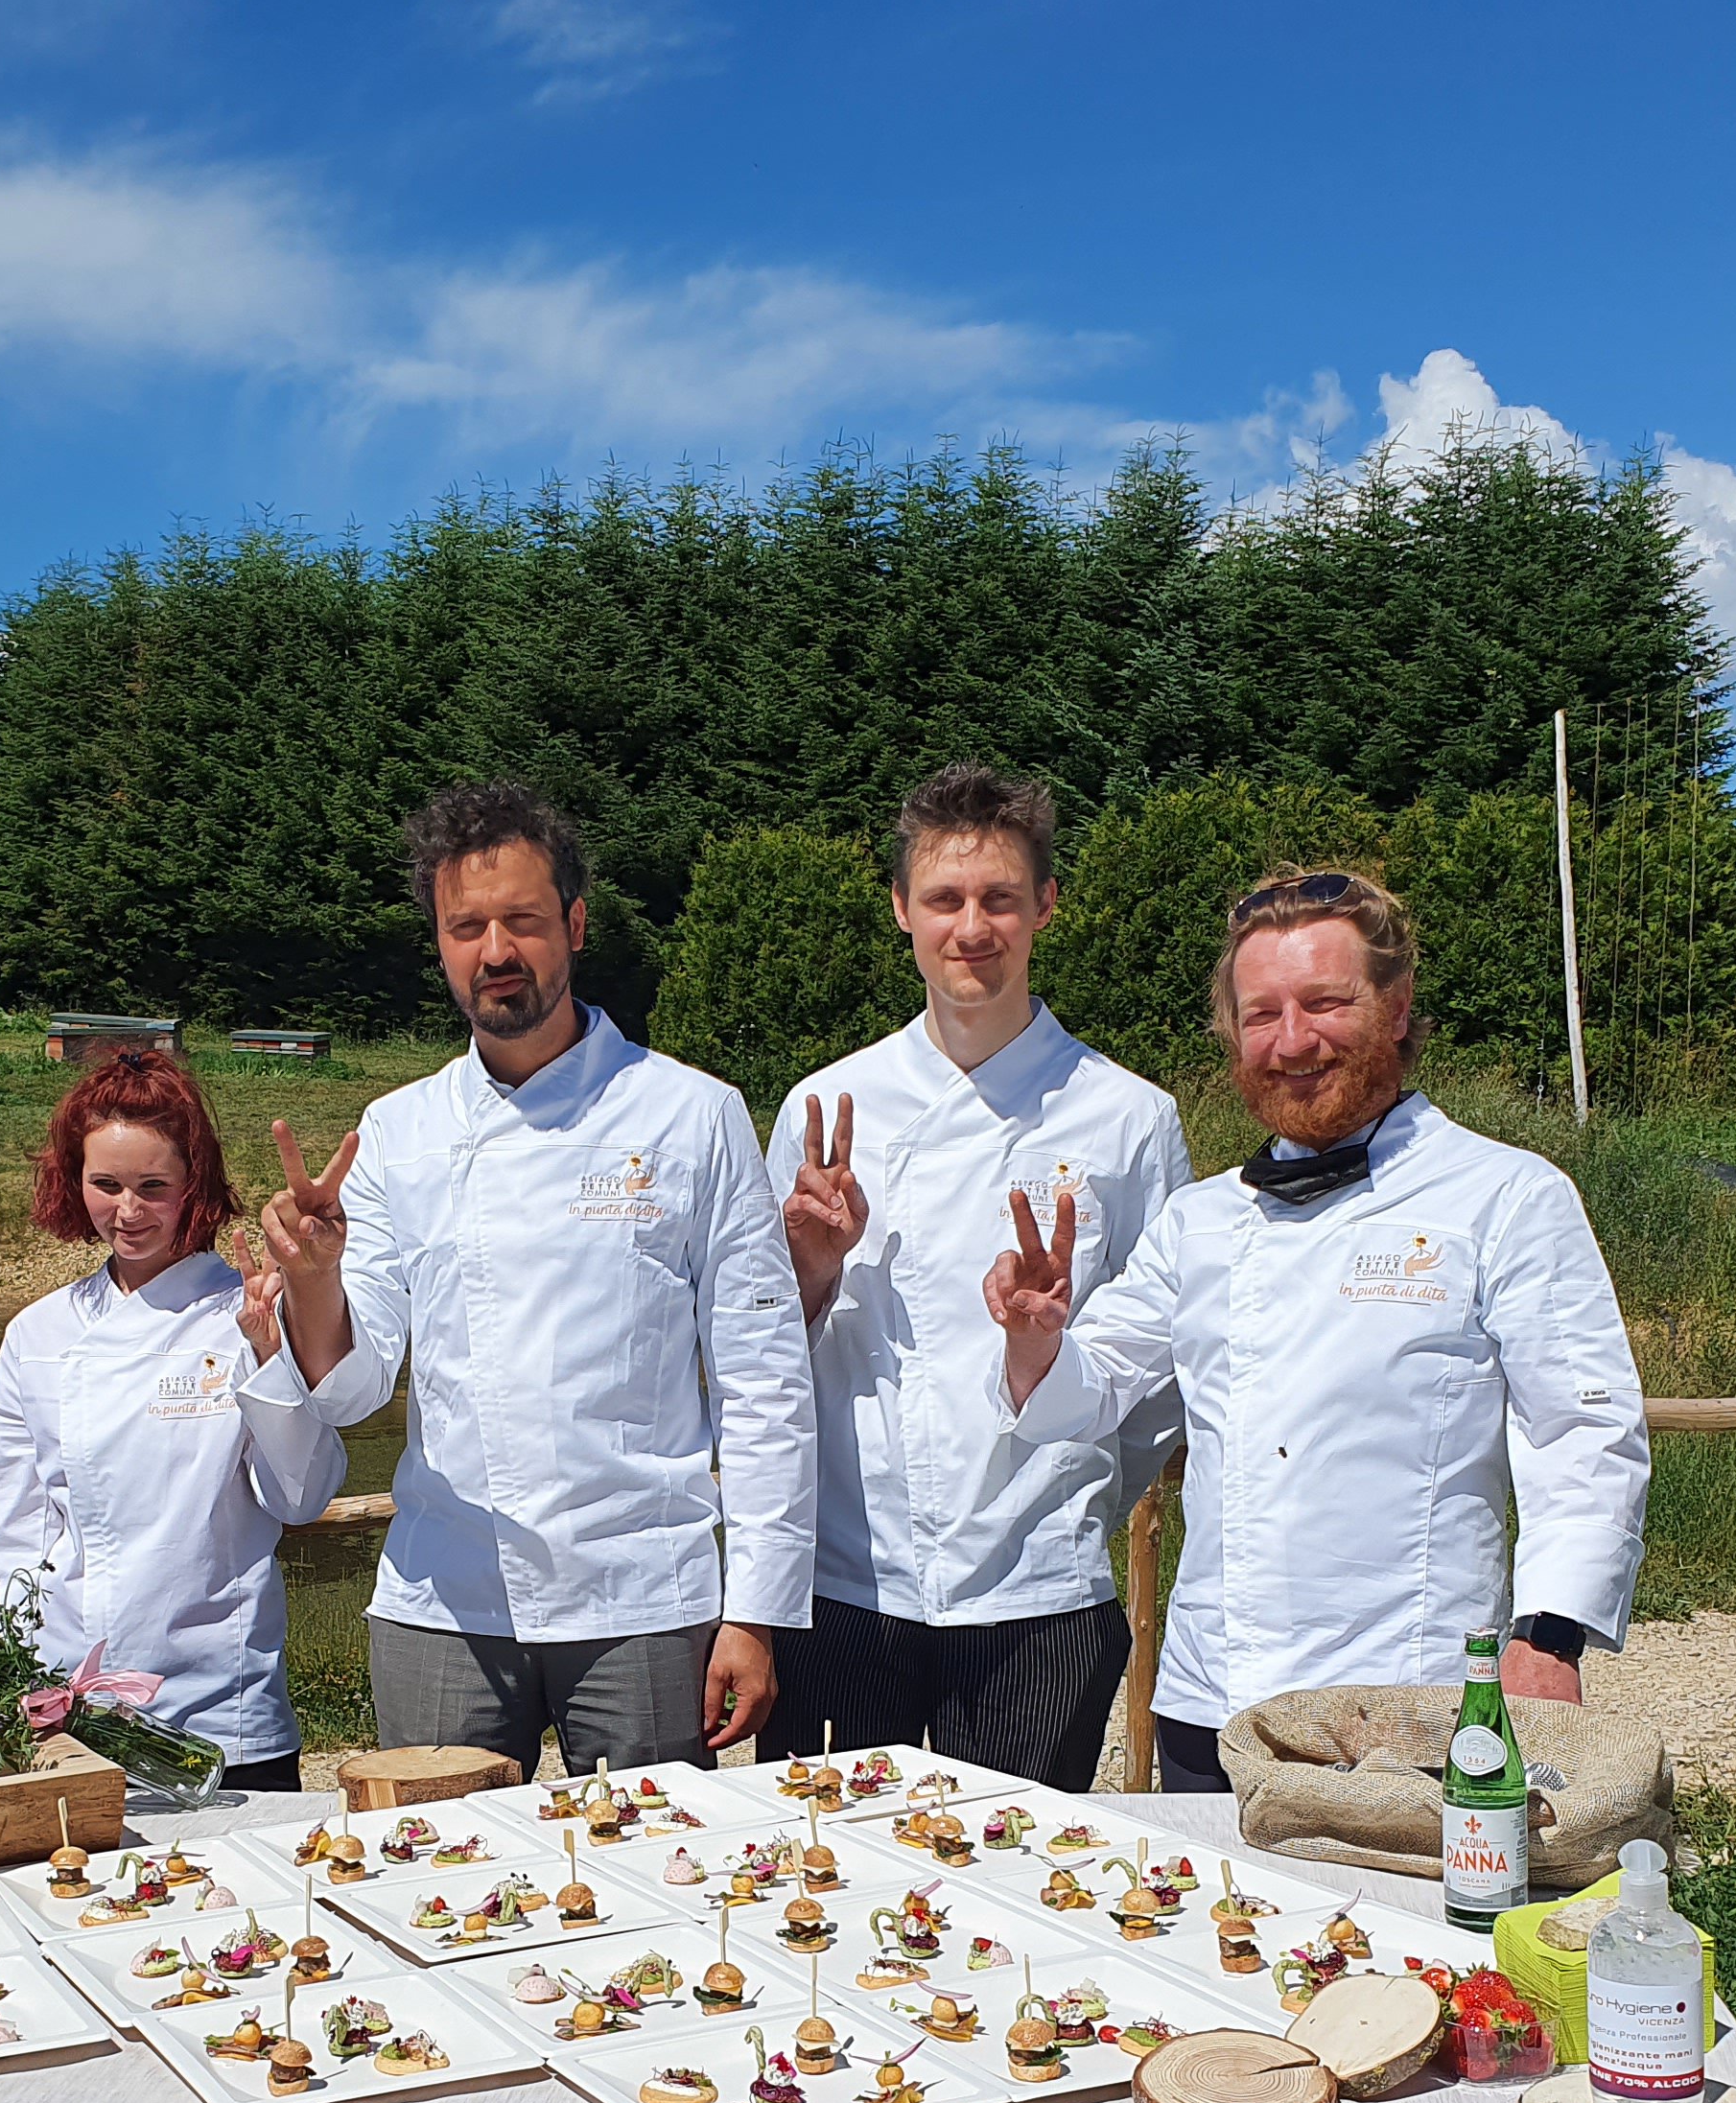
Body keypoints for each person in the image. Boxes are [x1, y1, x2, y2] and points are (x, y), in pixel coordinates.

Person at [985, 865, 1647, 1791]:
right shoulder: (1199, 1221)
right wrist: (1035, 1340)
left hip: (1411, 1709)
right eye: (1261, 1015)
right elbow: (1085, 1393)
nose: (1292, 1041)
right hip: (1212, 1707)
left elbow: (1584, 1433)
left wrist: (1548, 1637)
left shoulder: (1507, 1196)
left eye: (1325, 1003)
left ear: (1399, 1006)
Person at [253, 781, 815, 1773]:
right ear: (439, 941)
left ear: (576, 924)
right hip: (445, 1597)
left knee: (658, 1887)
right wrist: (313, 1281)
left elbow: (764, 1383)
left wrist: (757, 1613)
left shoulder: (694, 1117)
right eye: (466, 926)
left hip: (644, 1597)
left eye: (521, 920)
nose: (496, 952)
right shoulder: (397, 1133)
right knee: (433, 1892)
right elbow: (352, 1388)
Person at [764, 763, 1189, 1788]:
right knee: (832, 1881)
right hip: (844, 1585)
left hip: (1039, 1594)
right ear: (902, 909)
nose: (973, 928)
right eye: (946, 900)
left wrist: (1074, 1501)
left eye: (1000, 899)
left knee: (1012, 1899)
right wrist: (812, 1270)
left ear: (1045, 906)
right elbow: (760, 1356)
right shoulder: (826, 1106)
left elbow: (1162, 1374)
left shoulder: (1131, 1120)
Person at [0, 1051, 345, 1789]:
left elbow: (301, 1496)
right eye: (105, 1185)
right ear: (73, 1182)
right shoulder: (41, 1335)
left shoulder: (244, 1310)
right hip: (66, 1710)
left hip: (223, 1713)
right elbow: (3, 1532)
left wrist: (271, 1360)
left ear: (192, 1187)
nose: (128, 1212)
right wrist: (11, 1674)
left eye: (153, 1188)